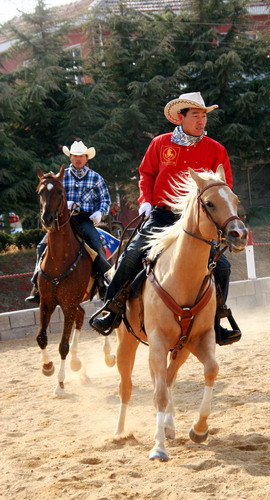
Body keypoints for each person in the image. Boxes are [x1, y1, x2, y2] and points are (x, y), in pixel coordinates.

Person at [90, 92, 240, 345]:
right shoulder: (160, 143)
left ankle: (218, 319)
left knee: (223, 266)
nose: (201, 121)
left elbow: (224, 186)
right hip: (162, 215)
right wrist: (146, 201)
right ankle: (111, 309)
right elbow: (146, 174)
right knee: (131, 256)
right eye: (196, 116)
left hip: (197, 221)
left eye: (203, 116)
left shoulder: (216, 149)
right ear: (181, 117)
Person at [25, 140, 112, 304]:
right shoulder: (60, 178)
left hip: (86, 220)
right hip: (63, 220)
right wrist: (65, 204)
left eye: (81, 156)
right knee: (41, 247)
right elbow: (51, 198)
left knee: (96, 245)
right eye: (75, 156)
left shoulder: (96, 178)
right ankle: (37, 286)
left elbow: (105, 201)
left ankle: (103, 284)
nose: (78, 159)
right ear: (70, 157)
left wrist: (100, 213)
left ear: (87, 158)